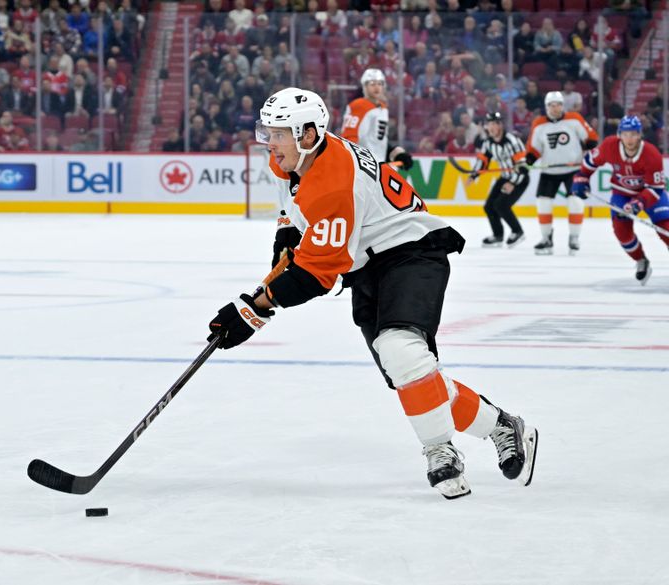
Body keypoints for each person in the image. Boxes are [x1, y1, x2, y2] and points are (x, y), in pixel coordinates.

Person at [207, 88, 539, 499]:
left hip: (411, 253)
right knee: (410, 375)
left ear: (308, 134)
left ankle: (440, 450)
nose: (268, 142)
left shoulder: (332, 180)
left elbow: (315, 275)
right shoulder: (297, 159)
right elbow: (294, 211)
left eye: (278, 134)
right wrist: (286, 237)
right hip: (367, 266)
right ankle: (501, 425)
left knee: (401, 350)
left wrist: (252, 310)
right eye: (268, 132)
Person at [572, 115, 669, 285]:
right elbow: (590, 162)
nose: (629, 138)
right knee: (622, 233)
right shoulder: (610, 146)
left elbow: (655, 188)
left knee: (665, 227)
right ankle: (641, 260)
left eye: (633, 134)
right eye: (625, 134)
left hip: (651, 195)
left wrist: (638, 203)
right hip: (622, 194)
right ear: (619, 134)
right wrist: (581, 177)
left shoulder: (652, 153)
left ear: (640, 135)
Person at [526, 92, 599, 255]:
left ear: (562, 105)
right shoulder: (539, 124)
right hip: (549, 170)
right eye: (551, 105)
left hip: (572, 170)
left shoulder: (574, 118)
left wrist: (590, 144)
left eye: (558, 104)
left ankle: (574, 237)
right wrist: (531, 157)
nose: (555, 108)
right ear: (546, 107)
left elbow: (591, 137)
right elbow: (534, 147)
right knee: (543, 203)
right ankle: (546, 238)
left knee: (575, 202)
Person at [471, 112, 529, 248]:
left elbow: (523, 167)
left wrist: (512, 183)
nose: (491, 127)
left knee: (501, 205)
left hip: (519, 179)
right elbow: (483, 161)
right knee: (489, 206)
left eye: (494, 124)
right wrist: (474, 174)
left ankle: (517, 231)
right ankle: (498, 236)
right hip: (505, 177)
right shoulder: (488, 143)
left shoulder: (513, 141)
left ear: (500, 125)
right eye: (489, 124)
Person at [340, 69, 413, 171]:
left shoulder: (382, 109)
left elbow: (378, 141)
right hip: (361, 169)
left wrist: (396, 153)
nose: (376, 87)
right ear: (364, 86)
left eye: (380, 83)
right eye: (372, 83)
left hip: (377, 169)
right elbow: (348, 139)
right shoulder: (358, 106)